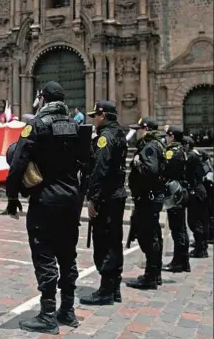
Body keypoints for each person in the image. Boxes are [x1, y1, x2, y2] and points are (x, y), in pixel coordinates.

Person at [6, 81, 82, 334]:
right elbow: (88, 164)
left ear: (42, 98)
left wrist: (12, 197)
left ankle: (48, 315)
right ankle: (68, 311)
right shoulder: (77, 127)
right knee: (68, 255)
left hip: (45, 200)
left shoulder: (36, 126)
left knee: (45, 255)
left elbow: (18, 163)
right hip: (71, 201)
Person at [80, 100, 127, 306]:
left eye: (96, 116)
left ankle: (106, 291)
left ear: (103, 116)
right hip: (116, 195)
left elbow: (100, 169)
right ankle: (114, 288)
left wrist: (93, 198)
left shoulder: (105, 138)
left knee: (104, 242)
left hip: (106, 197)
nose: (94, 120)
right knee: (115, 242)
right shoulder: (120, 134)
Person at [126, 117, 166, 290]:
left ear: (146, 130)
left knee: (147, 236)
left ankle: (150, 277)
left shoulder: (149, 147)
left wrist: (137, 163)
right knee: (153, 235)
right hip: (151, 197)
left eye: (139, 129)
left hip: (147, 198)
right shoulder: (158, 145)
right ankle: (154, 273)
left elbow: (150, 170)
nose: (137, 133)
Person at [162, 125, 190, 273]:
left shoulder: (172, 152)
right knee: (181, 229)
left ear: (171, 136)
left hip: (176, 193)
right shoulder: (182, 150)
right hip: (182, 190)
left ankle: (179, 262)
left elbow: (167, 170)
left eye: (167, 136)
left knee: (177, 229)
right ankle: (184, 261)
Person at [183, 136, 209, 258]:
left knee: (194, 222)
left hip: (196, 192)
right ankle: (202, 247)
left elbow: (187, 174)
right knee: (202, 221)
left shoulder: (191, 156)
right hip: (201, 190)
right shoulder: (198, 154)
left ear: (187, 145)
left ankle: (200, 249)